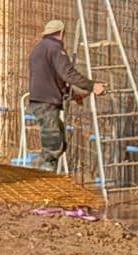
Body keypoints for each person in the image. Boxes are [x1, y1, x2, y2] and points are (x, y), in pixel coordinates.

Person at [26, 19, 104, 172]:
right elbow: (68, 74)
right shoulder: (55, 49)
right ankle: (43, 178)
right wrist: (92, 86)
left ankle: (43, 173)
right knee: (53, 144)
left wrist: (73, 95)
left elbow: (52, 78)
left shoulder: (40, 48)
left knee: (59, 140)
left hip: (41, 100)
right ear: (62, 33)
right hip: (46, 102)